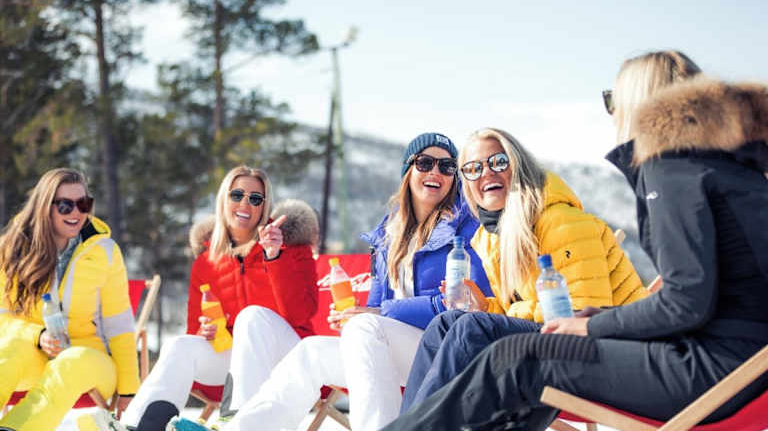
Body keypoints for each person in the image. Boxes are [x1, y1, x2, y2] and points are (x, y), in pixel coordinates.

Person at [384, 50, 768, 431]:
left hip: (708, 371)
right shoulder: (728, 168)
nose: (613, 114)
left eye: (612, 100)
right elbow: (703, 297)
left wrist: (593, 325)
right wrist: (595, 320)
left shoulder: (674, 170)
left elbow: (686, 303)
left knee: (515, 358)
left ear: (639, 104)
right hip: (742, 368)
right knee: (502, 349)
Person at [196, 132, 492, 431]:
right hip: (397, 348)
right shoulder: (389, 234)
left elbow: (468, 302)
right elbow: (376, 305)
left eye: (447, 166)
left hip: (446, 347)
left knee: (366, 327)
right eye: (425, 163)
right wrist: (354, 316)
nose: (435, 172)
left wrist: (378, 314)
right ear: (408, 171)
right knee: (313, 351)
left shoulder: (467, 228)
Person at [400, 127, 648, 412]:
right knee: (445, 324)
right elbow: (518, 314)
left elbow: (583, 312)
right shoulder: (491, 238)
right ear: (466, 182)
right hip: (550, 347)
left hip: (611, 354)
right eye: (473, 168)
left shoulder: (560, 221)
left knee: (471, 328)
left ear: (517, 166)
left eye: (498, 162)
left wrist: (494, 317)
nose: (486, 173)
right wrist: (487, 308)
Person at [122, 166, 319, 431]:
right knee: (180, 345)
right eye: (237, 195)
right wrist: (205, 332)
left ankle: (236, 423)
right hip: (234, 366)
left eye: (255, 198)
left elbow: (301, 314)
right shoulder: (206, 262)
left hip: (290, 359)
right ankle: (139, 425)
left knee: (251, 316)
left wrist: (274, 256)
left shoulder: (292, 248)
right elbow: (194, 329)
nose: (245, 204)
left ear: (264, 206)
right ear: (223, 200)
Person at [0, 168, 139, 431]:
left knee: (72, 361)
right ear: (45, 207)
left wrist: (129, 389)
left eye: (83, 204)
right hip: (36, 356)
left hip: (92, 362)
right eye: (65, 205)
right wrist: (38, 336)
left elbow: (120, 326)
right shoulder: (12, 250)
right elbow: (2, 320)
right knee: (9, 351)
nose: (76, 213)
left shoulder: (105, 252)